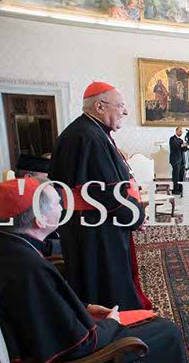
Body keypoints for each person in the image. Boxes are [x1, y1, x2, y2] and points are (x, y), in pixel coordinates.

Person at [0, 178, 189, 363]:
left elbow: (41, 308)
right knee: (167, 333)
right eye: (57, 203)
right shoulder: (28, 270)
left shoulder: (3, 247)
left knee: (156, 328)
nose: (63, 207)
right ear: (39, 220)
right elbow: (79, 346)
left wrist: (84, 307)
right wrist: (111, 323)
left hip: (41, 357)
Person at [49, 81, 150, 310]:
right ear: (100, 106)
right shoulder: (89, 137)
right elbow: (106, 193)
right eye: (120, 105)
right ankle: (113, 322)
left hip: (89, 226)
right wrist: (135, 217)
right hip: (96, 229)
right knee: (106, 284)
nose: (125, 111)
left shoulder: (88, 131)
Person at [169, 126, 187, 196]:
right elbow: (175, 147)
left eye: (181, 131)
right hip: (175, 160)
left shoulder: (181, 140)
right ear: (176, 131)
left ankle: (180, 189)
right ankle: (175, 190)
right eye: (180, 131)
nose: (181, 132)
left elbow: (183, 150)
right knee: (176, 175)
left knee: (181, 175)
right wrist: (182, 146)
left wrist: (186, 146)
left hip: (182, 160)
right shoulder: (172, 139)